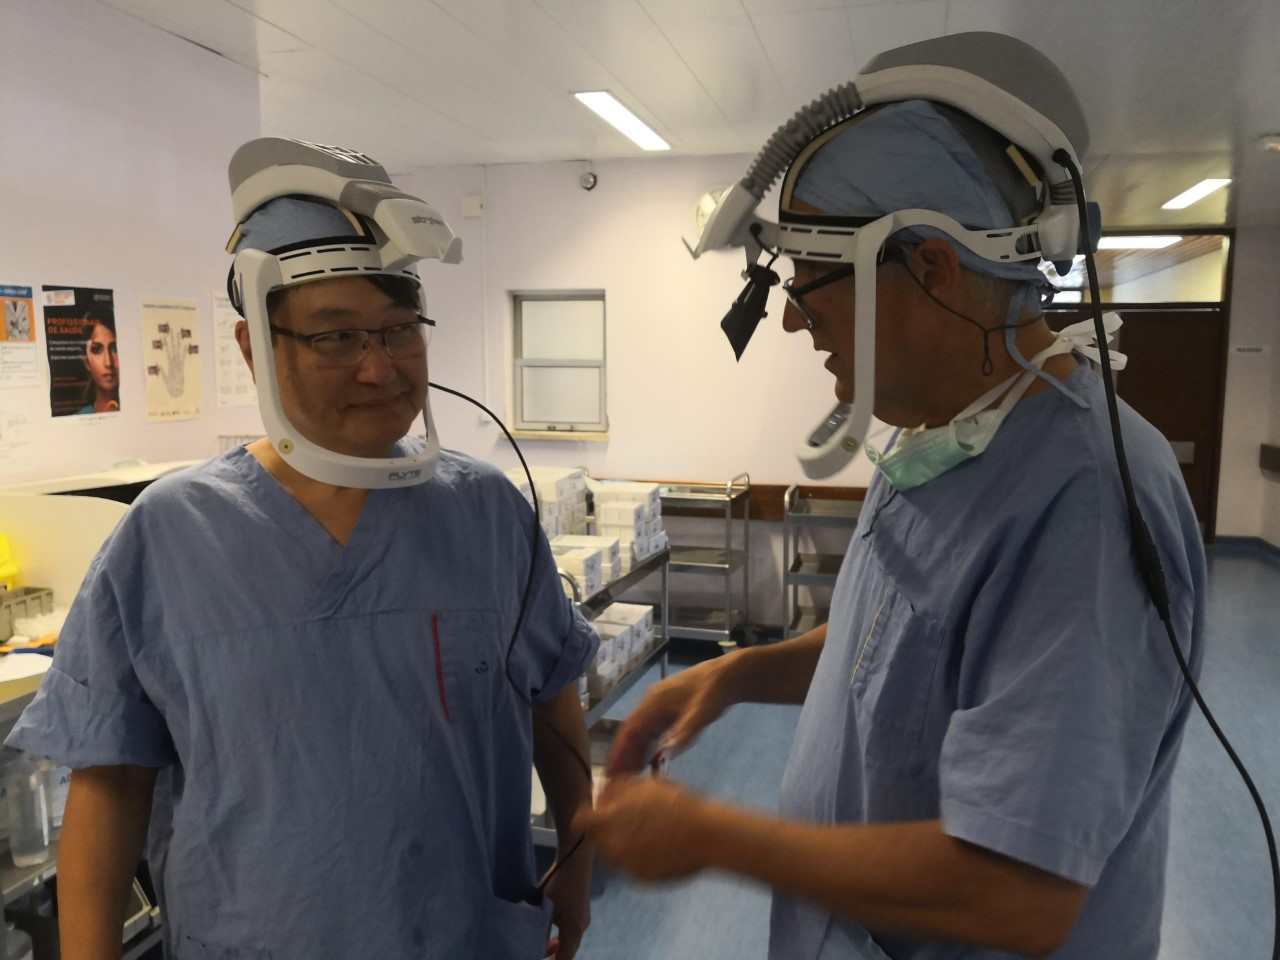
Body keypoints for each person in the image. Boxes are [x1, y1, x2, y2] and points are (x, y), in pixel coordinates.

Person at [578, 33, 1205, 960]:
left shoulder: (1086, 503)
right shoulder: (942, 434)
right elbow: (899, 647)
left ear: (930, 269)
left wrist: (714, 839)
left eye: (810, 281)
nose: (791, 317)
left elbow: (1019, 892)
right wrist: (739, 675)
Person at [7, 145, 598, 959]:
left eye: (400, 330)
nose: (379, 367)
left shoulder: (486, 512)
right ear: (255, 346)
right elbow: (110, 782)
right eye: (336, 336)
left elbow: (552, 697)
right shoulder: (171, 536)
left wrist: (577, 855)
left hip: (462, 931)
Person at [77, 309, 119, 414]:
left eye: (115, 349)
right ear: (86, 362)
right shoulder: (77, 418)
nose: (108, 362)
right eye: (97, 349)